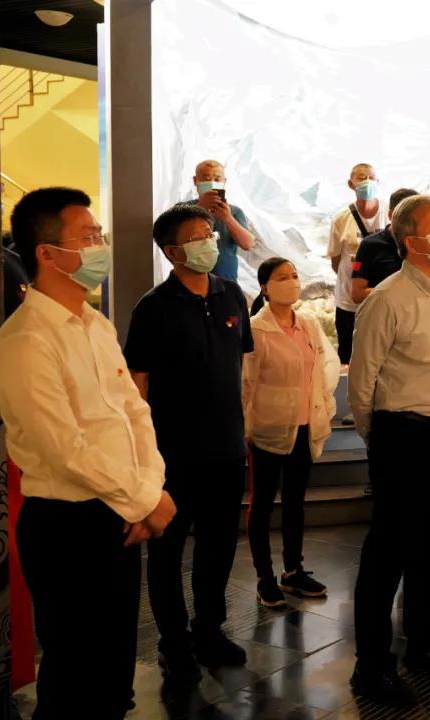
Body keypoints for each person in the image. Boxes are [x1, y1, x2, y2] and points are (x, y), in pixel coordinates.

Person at [0, 188, 176, 718]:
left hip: (119, 514)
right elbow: (64, 447)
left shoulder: (96, 325)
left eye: (100, 236)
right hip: (67, 526)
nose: (100, 247)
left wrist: (146, 491)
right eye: (89, 238)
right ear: (47, 253)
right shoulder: (26, 340)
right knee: (74, 680)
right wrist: (144, 500)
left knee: (113, 675)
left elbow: (134, 412)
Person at [347, 194, 430, 706]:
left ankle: (425, 643)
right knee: (388, 551)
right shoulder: (387, 298)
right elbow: (362, 382)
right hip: (402, 433)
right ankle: (371, 665)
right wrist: (378, 438)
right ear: (413, 241)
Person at [124, 204, 253, 684]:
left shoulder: (231, 294)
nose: (209, 242)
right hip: (173, 455)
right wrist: (143, 454)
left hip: (227, 450)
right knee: (167, 553)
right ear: (172, 251)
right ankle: (173, 642)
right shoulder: (153, 307)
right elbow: (137, 383)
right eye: (197, 236)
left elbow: (239, 366)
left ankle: (209, 631)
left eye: (210, 233)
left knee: (218, 548)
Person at [244, 258, 341, 608]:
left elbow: (324, 367)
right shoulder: (256, 330)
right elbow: (245, 382)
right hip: (267, 430)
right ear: (265, 287)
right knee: (262, 503)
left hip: (303, 426)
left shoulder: (308, 325)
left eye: (294, 275)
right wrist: (246, 425)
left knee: (295, 502)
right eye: (282, 277)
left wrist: (322, 406)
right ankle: (264, 576)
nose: (292, 282)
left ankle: (293, 570)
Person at [328, 163, 385, 364]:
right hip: (348, 301)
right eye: (361, 178)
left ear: (378, 182)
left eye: (371, 177)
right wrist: (353, 278)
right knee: (348, 354)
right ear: (351, 184)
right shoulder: (341, 219)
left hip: (382, 301)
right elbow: (335, 260)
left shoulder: (389, 214)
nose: (367, 181)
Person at [350, 187, 419, 304]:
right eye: (404, 216)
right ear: (390, 215)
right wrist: (398, 292)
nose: (410, 222)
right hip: (382, 312)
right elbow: (357, 294)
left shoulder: (422, 242)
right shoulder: (370, 245)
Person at [190, 159, 255, 282]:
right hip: (192, 280)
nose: (212, 183)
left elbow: (248, 244)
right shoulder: (184, 209)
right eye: (206, 179)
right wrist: (199, 209)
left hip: (226, 282)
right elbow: (175, 240)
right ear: (195, 181)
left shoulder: (234, 212)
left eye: (217, 179)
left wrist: (228, 219)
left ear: (224, 182)